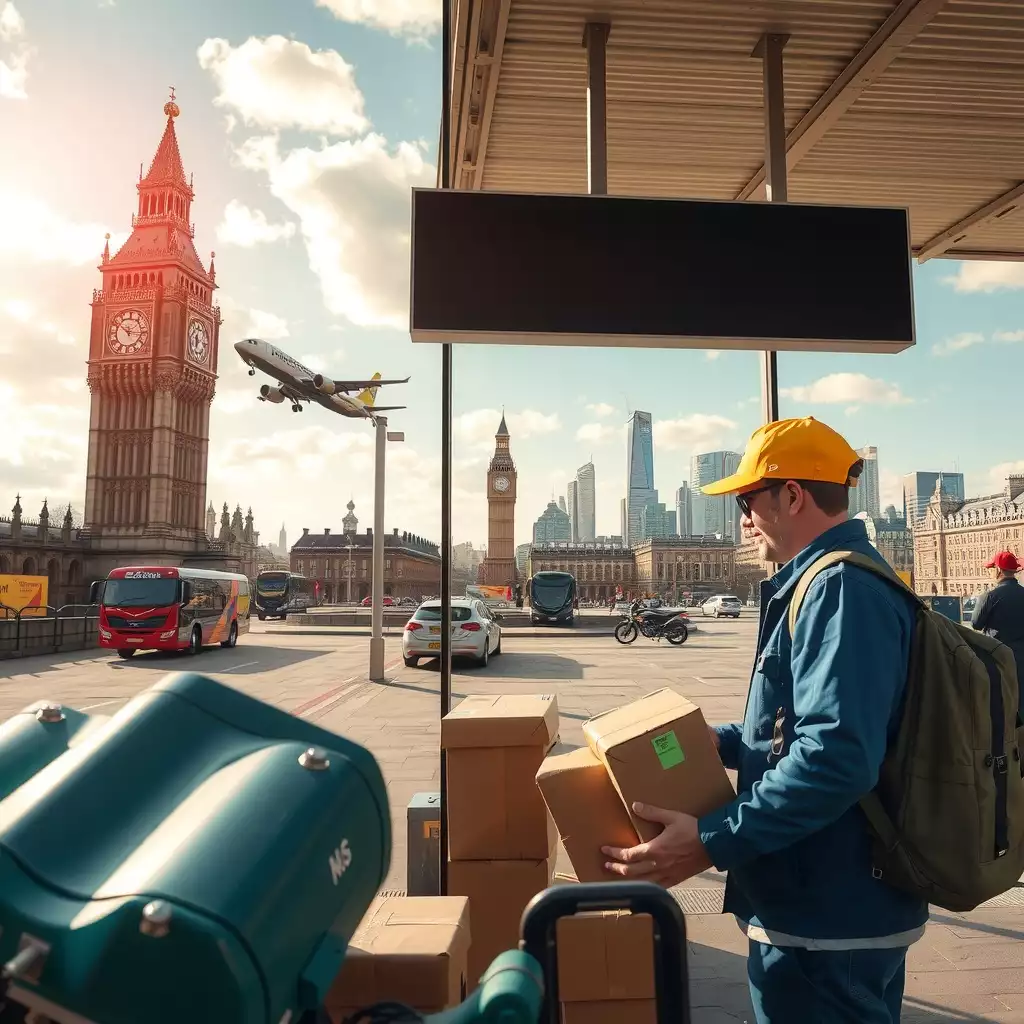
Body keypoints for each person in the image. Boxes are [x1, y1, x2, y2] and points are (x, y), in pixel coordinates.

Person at [602, 416, 927, 1024]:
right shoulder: (824, 582)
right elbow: (801, 729)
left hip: (826, 915)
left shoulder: (840, 590)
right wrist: (717, 742)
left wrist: (709, 839)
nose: (743, 520)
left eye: (749, 501)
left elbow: (835, 758)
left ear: (793, 496)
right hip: (821, 906)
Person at [972, 550, 1024, 706]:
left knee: (1001, 703)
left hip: (998, 657)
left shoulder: (990, 596)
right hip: (1022, 658)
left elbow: (976, 624)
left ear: (999, 570)